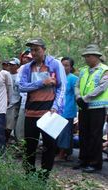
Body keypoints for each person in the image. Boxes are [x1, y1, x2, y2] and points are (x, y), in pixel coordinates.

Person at [19, 38, 66, 179]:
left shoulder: (55, 64)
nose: (33, 53)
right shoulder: (27, 67)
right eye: (31, 50)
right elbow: (21, 86)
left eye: (36, 49)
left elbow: (61, 87)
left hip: (49, 110)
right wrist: (42, 83)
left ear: (44, 49)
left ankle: (44, 176)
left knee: (49, 145)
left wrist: (56, 106)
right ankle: (29, 175)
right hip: (31, 111)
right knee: (30, 145)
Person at [73, 44, 108, 173]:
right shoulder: (83, 70)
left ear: (96, 57)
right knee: (83, 133)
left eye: (89, 56)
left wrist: (85, 98)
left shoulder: (104, 70)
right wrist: (78, 97)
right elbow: (77, 85)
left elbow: (101, 88)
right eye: (85, 56)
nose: (86, 58)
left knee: (95, 135)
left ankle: (95, 162)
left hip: (97, 107)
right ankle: (83, 160)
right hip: (83, 107)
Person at [55, 57, 78, 161]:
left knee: (65, 133)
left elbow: (77, 94)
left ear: (71, 67)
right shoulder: (56, 77)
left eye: (66, 65)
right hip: (56, 109)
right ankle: (60, 152)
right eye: (62, 65)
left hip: (68, 110)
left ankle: (62, 154)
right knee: (55, 131)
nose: (63, 67)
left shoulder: (73, 79)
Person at [6, 58, 21, 142]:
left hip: (14, 103)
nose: (10, 66)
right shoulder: (5, 74)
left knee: (10, 125)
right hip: (4, 102)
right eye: (9, 65)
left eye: (12, 65)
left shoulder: (19, 76)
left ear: (17, 66)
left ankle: (7, 140)